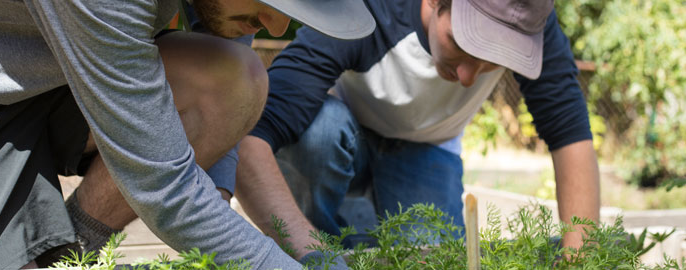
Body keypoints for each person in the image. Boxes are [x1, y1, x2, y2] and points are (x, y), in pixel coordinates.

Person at [0, 0, 374, 269]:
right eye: (270, 1)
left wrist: (216, 204)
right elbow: (165, 186)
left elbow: (225, 100)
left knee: (234, 74)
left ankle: (67, 256)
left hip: (56, 84)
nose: (279, 25)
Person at [235, 0, 601, 253]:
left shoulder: (529, 24)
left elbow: (570, 137)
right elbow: (251, 136)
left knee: (432, 256)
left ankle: (360, 222)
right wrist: (311, 254)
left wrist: (580, 259)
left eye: (490, 62)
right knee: (319, 133)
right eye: (460, 44)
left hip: (427, 147)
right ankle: (322, 234)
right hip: (345, 133)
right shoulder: (369, 9)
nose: (466, 77)